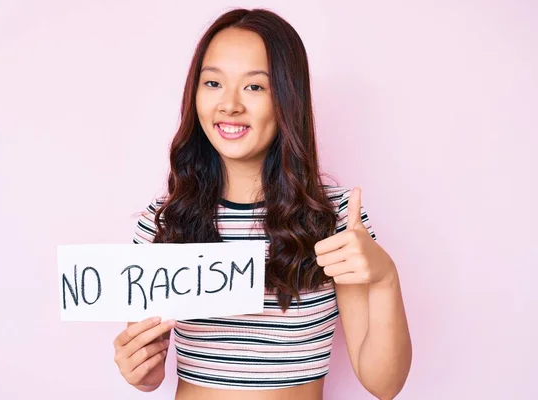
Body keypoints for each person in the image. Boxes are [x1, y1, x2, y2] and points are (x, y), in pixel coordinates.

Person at [113, 7, 412, 400]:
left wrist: (385, 278)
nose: (230, 105)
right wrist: (140, 369)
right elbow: (149, 370)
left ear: (287, 99)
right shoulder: (163, 222)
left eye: (255, 87)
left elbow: (384, 384)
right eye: (213, 83)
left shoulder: (335, 221)